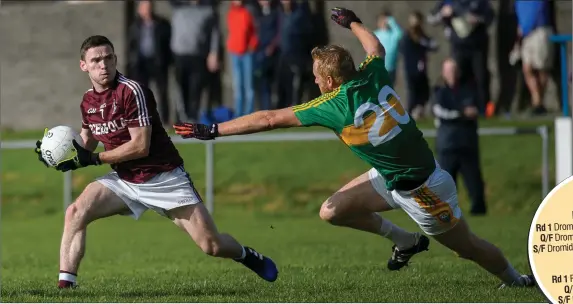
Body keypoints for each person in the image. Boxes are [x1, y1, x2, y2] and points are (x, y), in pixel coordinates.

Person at [173, 8, 535, 288]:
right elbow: (375, 47)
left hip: (425, 190)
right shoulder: (372, 73)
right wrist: (355, 23)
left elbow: (268, 118)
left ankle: (517, 281)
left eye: (317, 75)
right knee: (332, 211)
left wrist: (213, 129)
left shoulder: (333, 104)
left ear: (330, 82)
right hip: (395, 176)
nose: (314, 79)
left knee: (466, 247)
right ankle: (405, 241)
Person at [33, 35, 278, 289]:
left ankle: (246, 255)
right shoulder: (88, 101)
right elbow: (88, 139)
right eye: (95, 60)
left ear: (116, 59)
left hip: (165, 178)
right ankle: (66, 286)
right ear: (83, 65)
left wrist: (94, 159)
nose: (103, 65)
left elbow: (140, 145)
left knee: (211, 245)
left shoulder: (132, 91)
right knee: (75, 212)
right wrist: (58, 155)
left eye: (108, 58)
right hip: (126, 180)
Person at [432, 58, 487, 216]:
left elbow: (477, 109)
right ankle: (445, 214)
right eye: (449, 70)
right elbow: (441, 112)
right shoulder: (439, 92)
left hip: (467, 143)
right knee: (445, 185)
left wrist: (464, 113)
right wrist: (462, 113)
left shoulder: (469, 89)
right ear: (443, 72)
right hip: (447, 145)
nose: (452, 74)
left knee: (474, 182)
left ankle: (479, 212)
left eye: (454, 70)